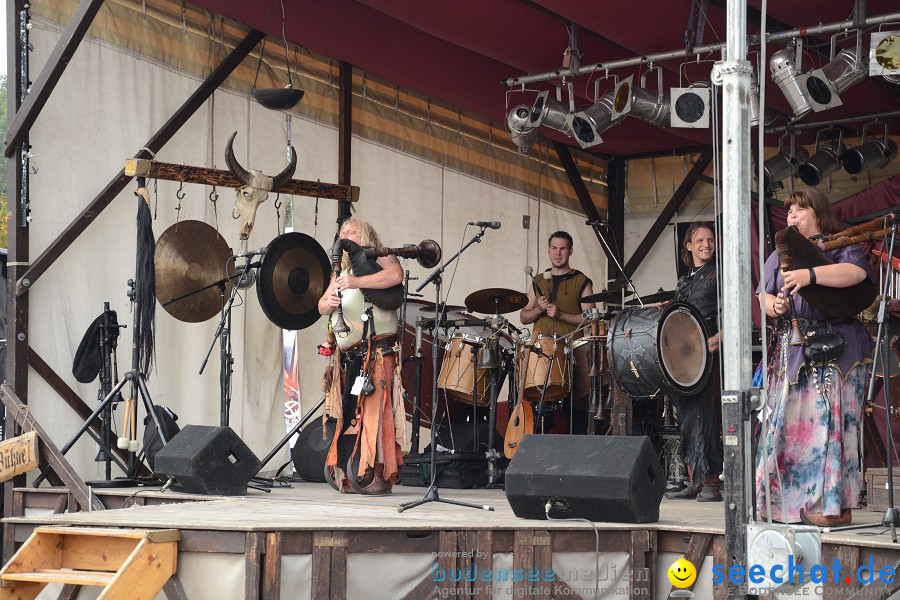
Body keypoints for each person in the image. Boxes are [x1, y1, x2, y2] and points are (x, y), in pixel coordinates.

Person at [757, 187, 875, 526]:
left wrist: (810, 275)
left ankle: (833, 507)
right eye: (789, 210)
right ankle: (786, 504)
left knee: (831, 428)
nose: (792, 215)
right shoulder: (781, 253)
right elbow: (761, 295)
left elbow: (857, 275)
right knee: (790, 428)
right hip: (796, 351)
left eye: (800, 209)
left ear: (819, 214)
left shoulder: (840, 244)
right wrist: (774, 306)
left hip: (839, 349)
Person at [317, 218, 406, 495]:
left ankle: (377, 474)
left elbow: (395, 277)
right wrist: (328, 302)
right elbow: (320, 305)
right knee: (351, 414)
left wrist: (357, 281)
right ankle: (354, 471)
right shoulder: (339, 270)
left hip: (378, 353)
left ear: (365, 234)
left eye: (351, 231)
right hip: (350, 356)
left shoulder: (382, 257)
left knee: (376, 413)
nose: (345, 235)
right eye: (342, 232)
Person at [665, 222, 724, 502]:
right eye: (699, 240)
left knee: (706, 415)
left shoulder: (719, 274)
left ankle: (711, 481)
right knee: (687, 414)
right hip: (686, 355)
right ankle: (695, 480)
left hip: (709, 351)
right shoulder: (686, 279)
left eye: (710, 239)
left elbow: (736, 307)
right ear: (688, 246)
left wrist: (720, 337)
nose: (706, 244)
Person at [519, 231, 596, 433]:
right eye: (554, 248)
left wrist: (561, 315)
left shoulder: (582, 281)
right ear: (548, 250)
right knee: (539, 417)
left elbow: (590, 320)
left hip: (572, 354)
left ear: (570, 251)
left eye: (563, 248)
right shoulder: (538, 280)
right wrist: (538, 309)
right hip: (539, 355)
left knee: (575, 414)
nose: (558, 253)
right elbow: (523, 317)